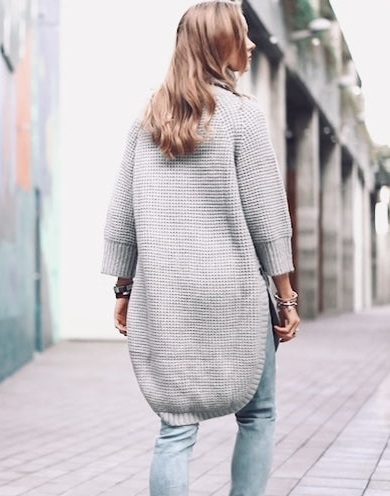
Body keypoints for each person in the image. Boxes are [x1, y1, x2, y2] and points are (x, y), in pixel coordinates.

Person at [101, 1, 301, 495]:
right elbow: (267, 215)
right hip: (235, 293)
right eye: (243, 34)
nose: (251, 44)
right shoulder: (241, 117)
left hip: (165, 292)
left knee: (175, 426)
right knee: (258, 414)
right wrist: (287, 296)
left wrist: (124, 288)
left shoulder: (147, 122)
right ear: (219, 46)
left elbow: (123, 213)